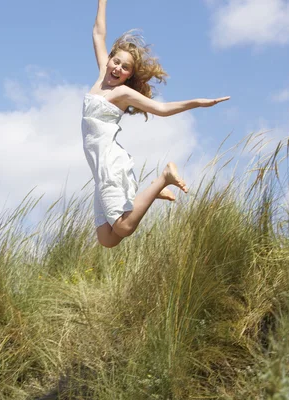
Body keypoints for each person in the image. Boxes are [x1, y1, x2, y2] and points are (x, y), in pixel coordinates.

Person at [84, 0, 230, 248]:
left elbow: (161, 109)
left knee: (123, 227)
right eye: (116, 62)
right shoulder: (101, 76)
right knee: (107, 239)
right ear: (109, 59)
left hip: (110, 163)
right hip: (99, 169)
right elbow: (98, 32)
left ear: (129, 75)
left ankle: (164, 177)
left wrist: (197, 102)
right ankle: (150, 193)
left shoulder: (121, 94)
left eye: (125, 67)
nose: (118, 68)